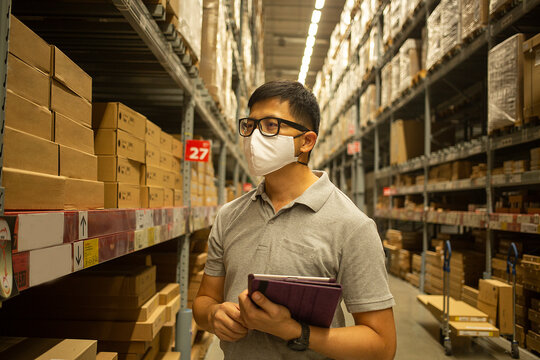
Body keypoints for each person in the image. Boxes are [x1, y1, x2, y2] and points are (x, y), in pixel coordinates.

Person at [193, 80, 396, 360]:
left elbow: (382, 345)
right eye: (250, 126)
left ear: (306, 141)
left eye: (270, 126)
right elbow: (204, 302)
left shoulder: (352, 226)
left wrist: (294, 331)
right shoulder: (229, 216)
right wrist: (215, 314)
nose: (254, 138)